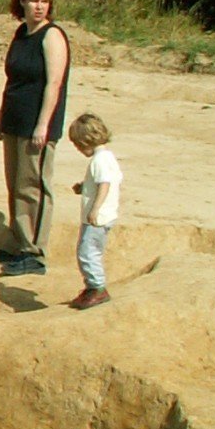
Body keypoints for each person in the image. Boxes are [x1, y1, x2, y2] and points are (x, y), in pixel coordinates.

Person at [0, 0, 70, 277]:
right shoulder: (22, 33)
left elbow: (53, 84)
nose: (39, 6)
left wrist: (43, 125)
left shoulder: (52, 36)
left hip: (37, 124)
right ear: (21, 2)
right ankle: (18, 244)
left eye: (44, 1)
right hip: (15, 120)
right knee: (16, 184)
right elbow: (13, 80)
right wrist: (1, 117)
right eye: (34, 0)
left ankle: (34, 253)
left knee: (33, 186)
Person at [66, 113, 122, 309]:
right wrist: (84, 187)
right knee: (90, 251)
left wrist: (95, 209)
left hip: (98, 217)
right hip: (103, 215)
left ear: (85, 141)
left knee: (87, 253)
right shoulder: (108, 157)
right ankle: (91, 287)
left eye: (77, 145)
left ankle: (97, 288)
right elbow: (103, 181)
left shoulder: (99, 160)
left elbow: (104, 184)